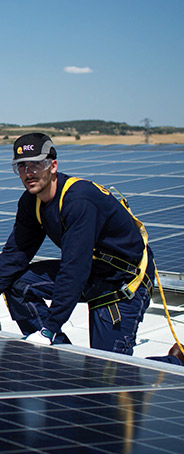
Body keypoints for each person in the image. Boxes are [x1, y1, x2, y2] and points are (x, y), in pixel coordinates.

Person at [0, 133, 155, 354]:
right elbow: (14, 256)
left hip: (120, 282)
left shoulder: (78, 200)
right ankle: (58, 358)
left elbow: (74, 268)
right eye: (22, 167)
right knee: (17, 284)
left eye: (36, 165)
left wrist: (50, 328)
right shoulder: (31, 202)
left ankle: (177, 363)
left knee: (110, 374)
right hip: (90, 273)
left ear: (52, 166)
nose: (28, 173)